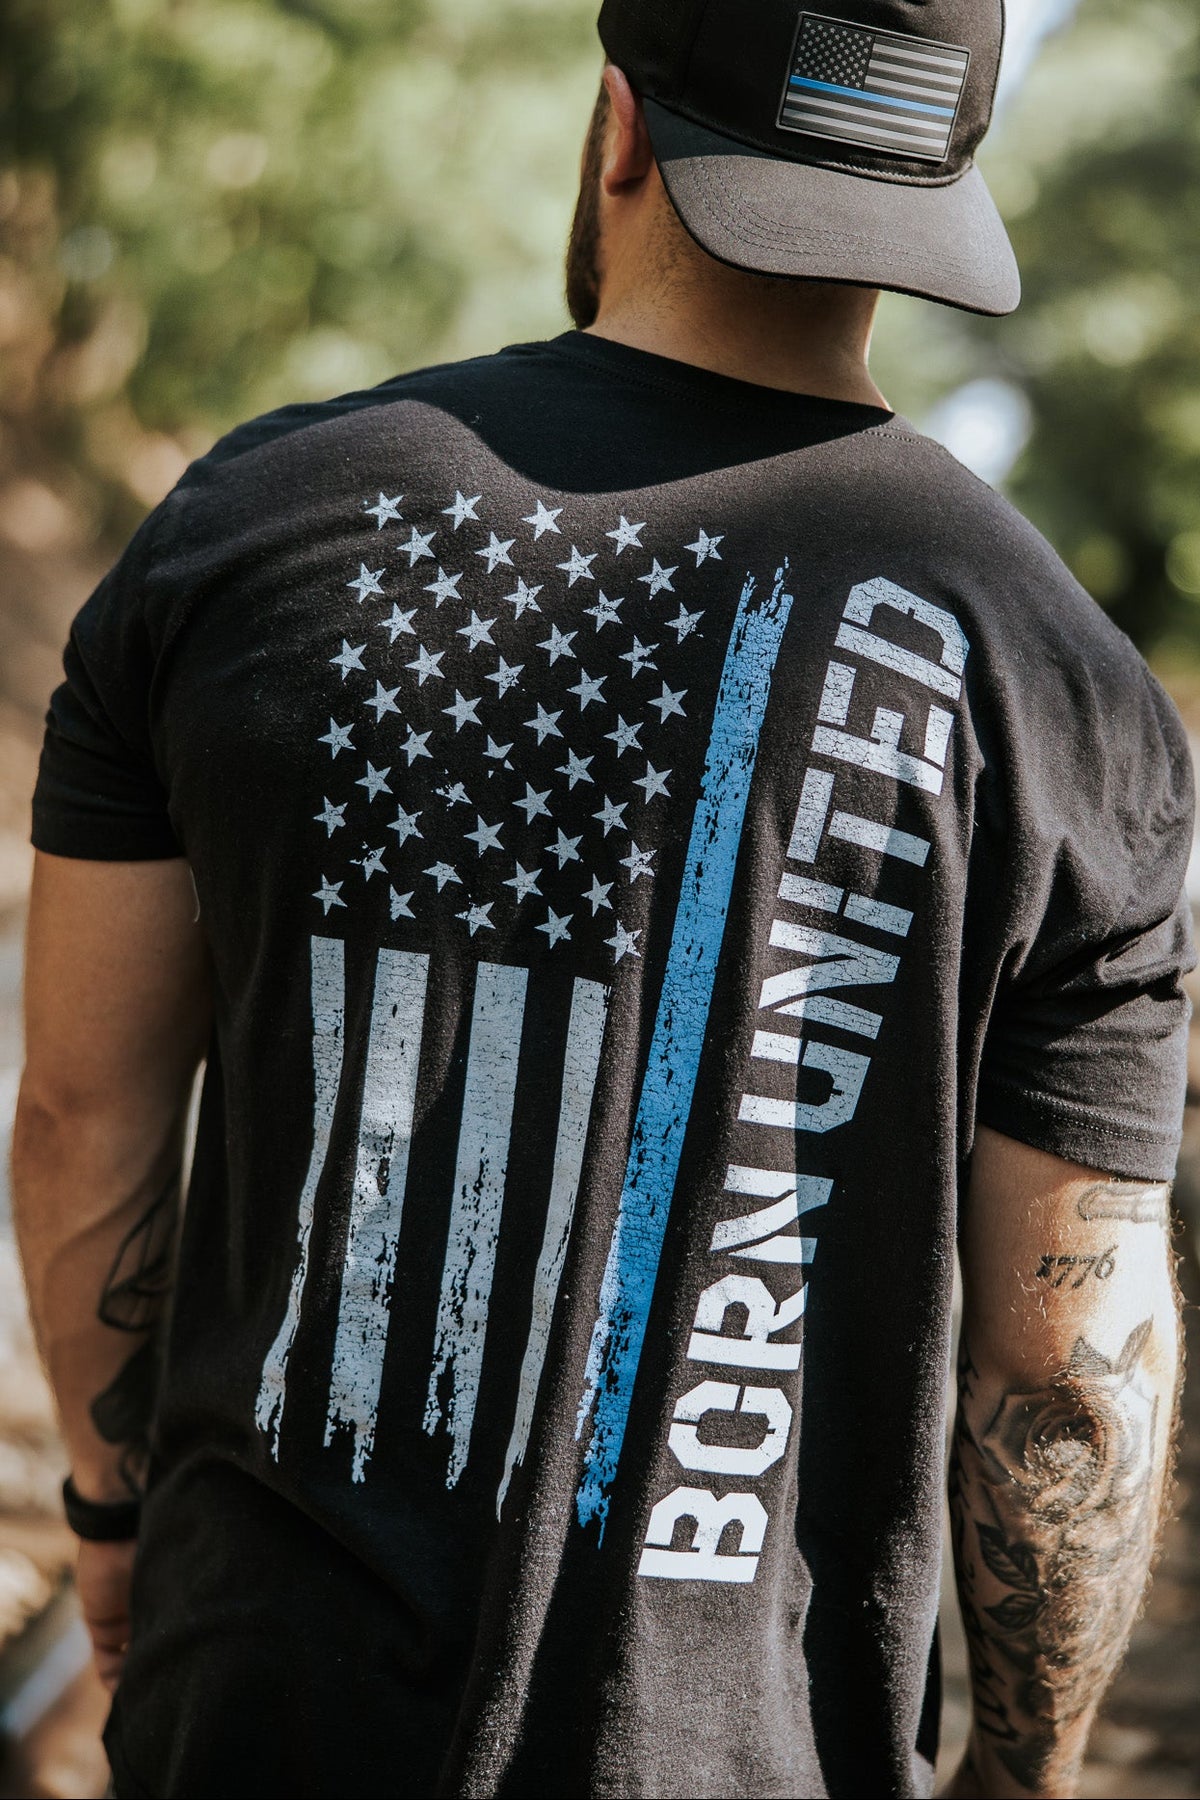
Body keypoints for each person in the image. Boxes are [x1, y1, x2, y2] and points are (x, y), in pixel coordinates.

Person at [13, 1, 1191, 1795]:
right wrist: (1022, 1770)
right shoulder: (1069, 690)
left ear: (621, 129)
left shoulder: (248, 527)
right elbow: (1068, 1376)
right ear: (935, 202)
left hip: (264, 1709)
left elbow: (84, 1119)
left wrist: (113, 1529)